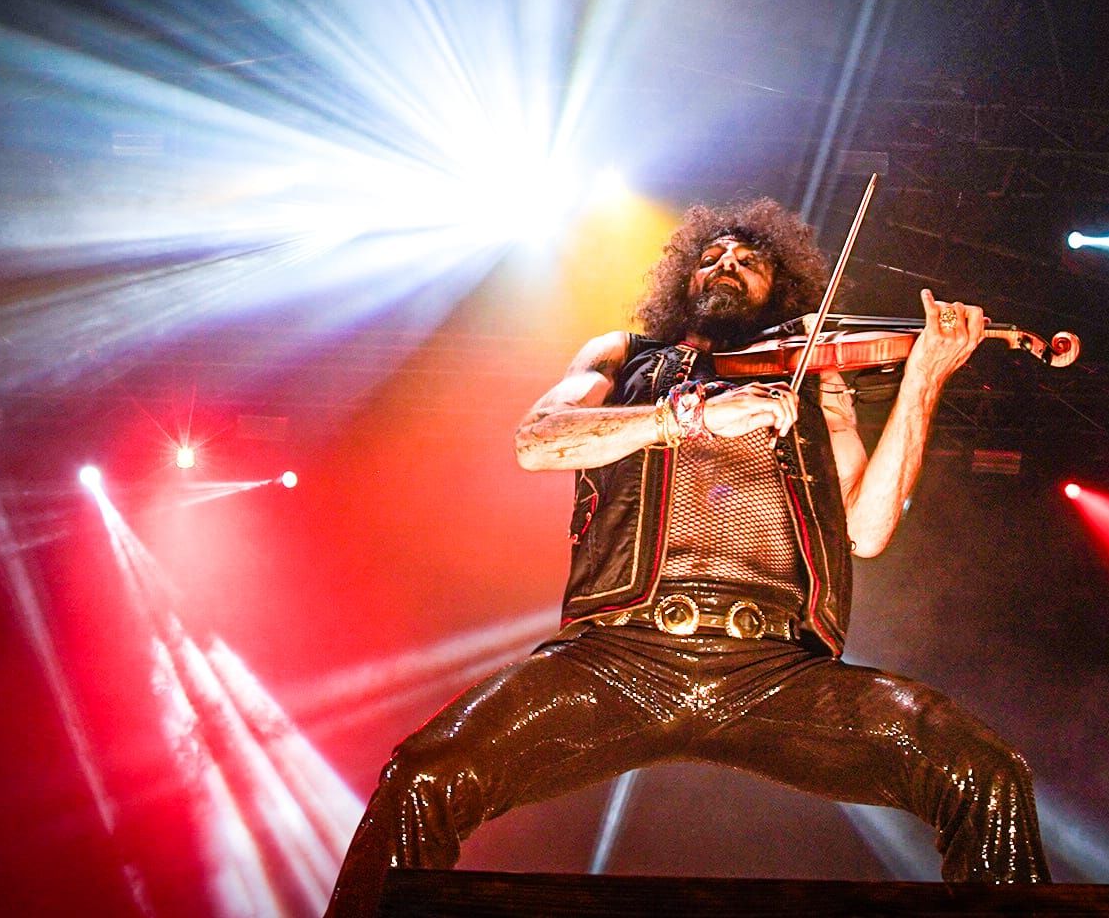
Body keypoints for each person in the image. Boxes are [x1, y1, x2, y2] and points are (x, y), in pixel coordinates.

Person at [325, 198, 1047, 916]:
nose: (726, 265)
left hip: (776, 671)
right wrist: (686, 415)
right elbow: (537, 439)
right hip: (621, 659)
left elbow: (867, 530)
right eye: (711, 256)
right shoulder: (624, 355)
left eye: (749, 259)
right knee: (421, 776)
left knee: (982, 771)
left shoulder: (819, 380)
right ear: (683, 279)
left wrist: (923, 382)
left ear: (785, 287)